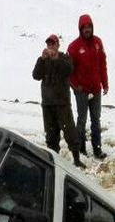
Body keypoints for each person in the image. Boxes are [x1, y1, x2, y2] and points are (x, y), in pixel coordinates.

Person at [33, 34, 84, 168]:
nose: (50, 47)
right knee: (51, 135)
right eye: (49, 44)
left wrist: (57, 60)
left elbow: (69, 70)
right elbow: (36, 75)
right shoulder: (43, 60)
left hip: (62, 103)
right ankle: (53, 161)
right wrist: (41, 59)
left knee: (70, 132)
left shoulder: (64, 58)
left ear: (58, 45)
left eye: (53, 44)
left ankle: (77, 159)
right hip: (48, 104)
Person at [67, 14, 108, 159]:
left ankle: (97, 148)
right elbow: (68, 71)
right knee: (82, 120)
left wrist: (105, 83)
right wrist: (75, 86)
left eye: (89, 27)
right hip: (81, 91)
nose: (87, 30)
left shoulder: (98, 43)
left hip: (96, 89)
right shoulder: (73, 47)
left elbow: (103, 64)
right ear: (80, 29)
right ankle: (81, 149)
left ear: (92, 27)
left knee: (96, 120)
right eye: (84, 27)